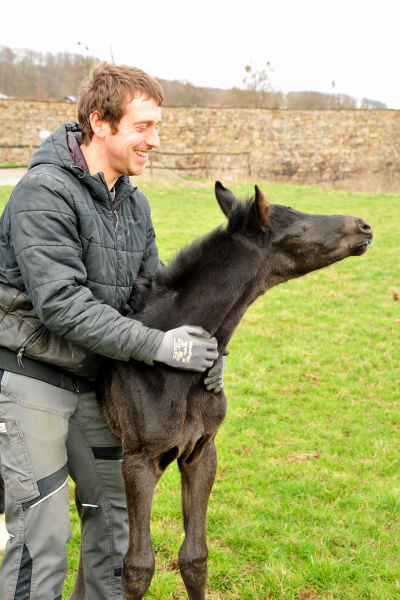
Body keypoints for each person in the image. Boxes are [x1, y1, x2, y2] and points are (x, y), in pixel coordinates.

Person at [0, 62, 225, 600]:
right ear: (99, 123)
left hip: (99, 382)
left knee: (115, 525)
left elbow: (151, 300)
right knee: (44, 533)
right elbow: (63, 306)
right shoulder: (44, 193)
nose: (154, 140)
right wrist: (159, 346)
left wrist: (201, 351)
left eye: (157, 126)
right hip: (32, 374)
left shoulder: (134, 202)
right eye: (143, 127)